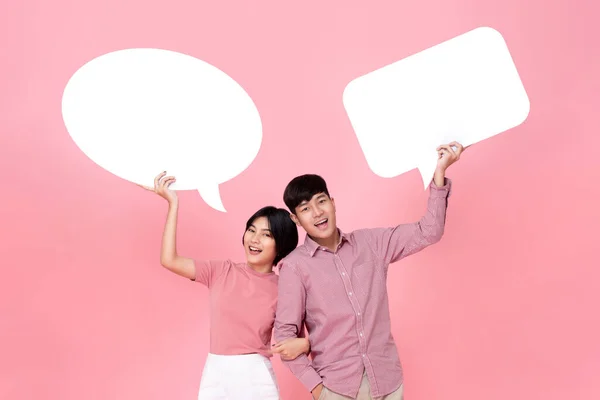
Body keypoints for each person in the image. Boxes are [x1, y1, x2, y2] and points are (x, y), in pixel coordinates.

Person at [274, 142, 466, 399]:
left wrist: (439, 173)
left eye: (321, 202)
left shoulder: (371, 243)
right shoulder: (295, 266)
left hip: (387, 381)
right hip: (337, 387)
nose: (317, 212)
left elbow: (428, 231)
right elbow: (286, 337)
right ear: (296, 219)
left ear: (332, 202)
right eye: (305, 209)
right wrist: (318, 389)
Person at [140, 171, 309, 400]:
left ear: (281, 245)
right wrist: (173, 204)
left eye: (266, 235)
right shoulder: (221, 271)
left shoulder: (285, 288)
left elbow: (301, 341)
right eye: (251, 230)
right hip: (214, 375)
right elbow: (169, 260)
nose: (254, 239)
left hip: (256, 379)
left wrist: (304, 344)